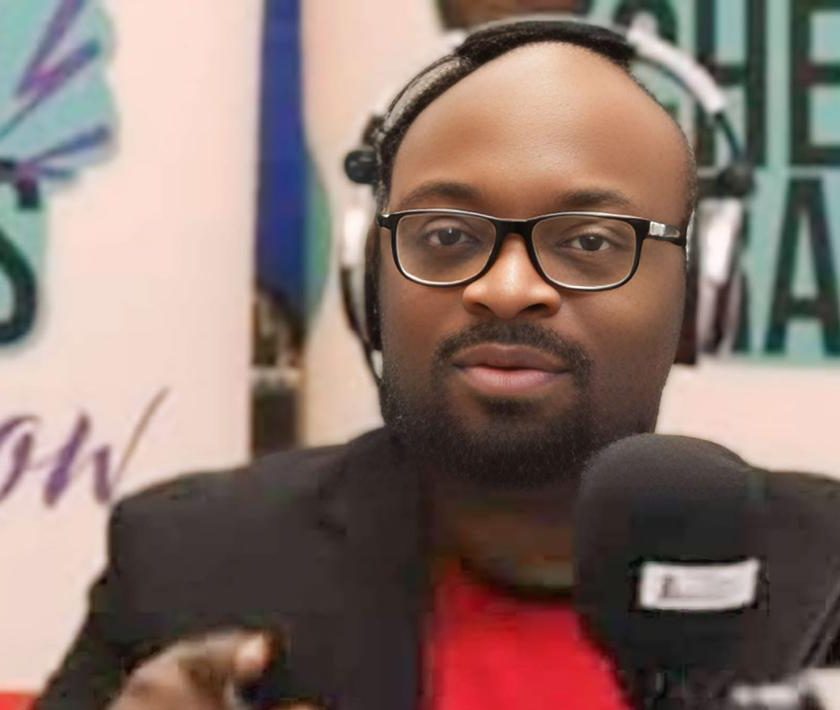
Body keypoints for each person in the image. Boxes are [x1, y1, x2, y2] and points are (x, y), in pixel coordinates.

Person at [36, 19, 840, 710]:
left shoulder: (830, 581)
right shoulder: (190, 561)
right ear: (367, 279)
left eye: (589, 242)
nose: (509, 288)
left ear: (700, 295)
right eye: (448, 236)